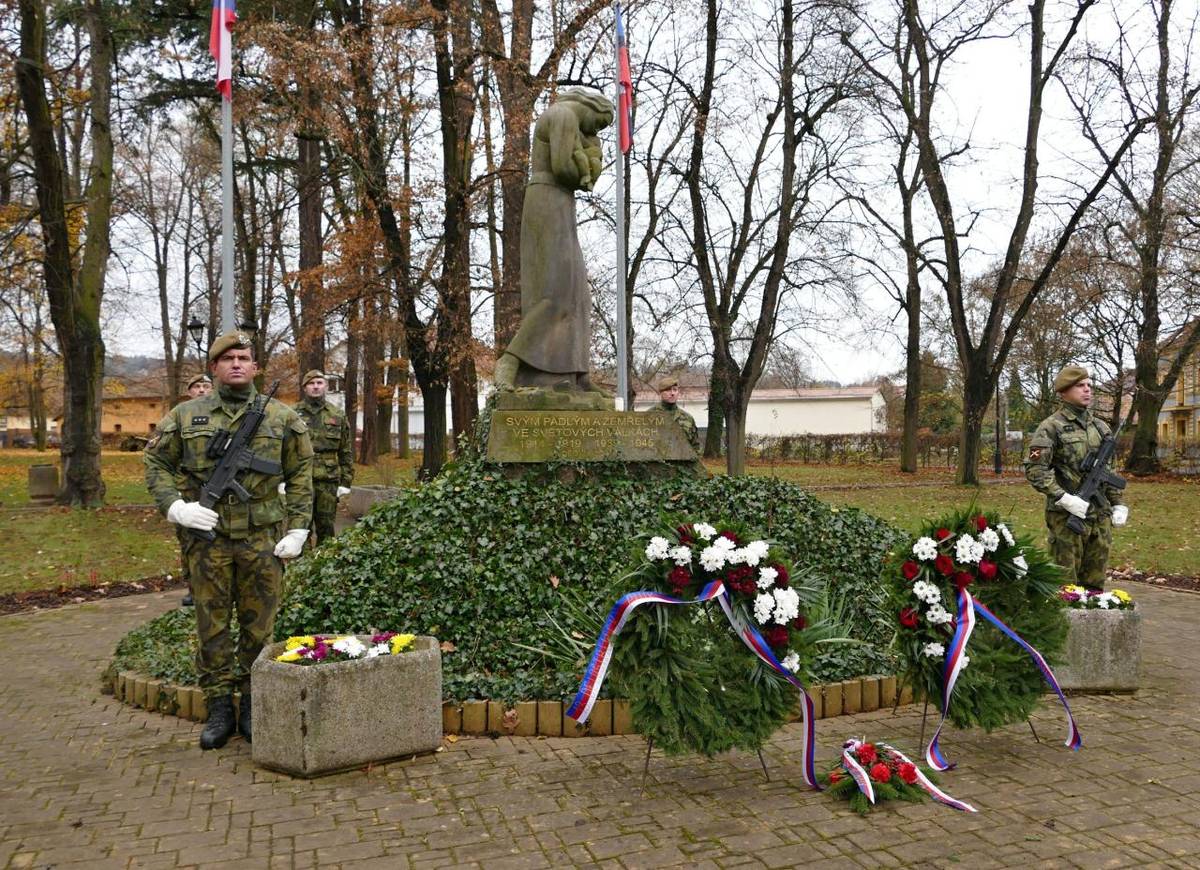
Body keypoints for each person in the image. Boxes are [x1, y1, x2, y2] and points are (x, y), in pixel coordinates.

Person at [144, 330, 313, 750]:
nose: (236, 364)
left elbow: (301, 475)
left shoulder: (281, 417)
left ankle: (254, 704)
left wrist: (298, 528)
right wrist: (175, 507)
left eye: (243, 357)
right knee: (212, 626)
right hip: (208, 540)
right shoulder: (186, 416)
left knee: (260, 628)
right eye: (227, 358)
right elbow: (155, 462)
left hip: (262, 539)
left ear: (255, 367)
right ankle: (219, 707)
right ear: (214, 367)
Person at [494, 89, 614, 392]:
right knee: (556, 292)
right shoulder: (562, 115)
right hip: (547, 200)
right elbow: (565, 168)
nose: (596, 131)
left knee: (578, 296)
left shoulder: (571, 122)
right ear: (590, 108)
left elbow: (584, 174)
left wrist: (588, 160)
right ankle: (511, 361)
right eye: (598, 124)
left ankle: (575, 374)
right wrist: (589, 161)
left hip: (560, 203)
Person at [1023, 365, 1129, 590]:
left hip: (1100, 518)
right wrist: (1064, 498)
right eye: (1080, 386)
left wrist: (1118, 504)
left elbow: (1106, 472)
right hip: (1067, 519)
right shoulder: (1050, 427)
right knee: (1064, 588)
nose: (1087, 390)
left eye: (1089, 385)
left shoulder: (1101, 428)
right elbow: (1035, 470)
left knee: (1094, 588)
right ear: (1064, 392)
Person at [292, 370, 353, 545]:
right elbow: (284, 449)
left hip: (328, 480)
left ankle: (324, 567)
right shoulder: (292, 414)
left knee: (326, 527)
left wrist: (346, 482)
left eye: (319, 383)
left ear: (325, 386)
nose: (316, 386)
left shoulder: (337, 415)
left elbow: (345, 450)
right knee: (300, 527)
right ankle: (301, 568)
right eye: (311, 383)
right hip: (300, 479)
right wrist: (282, 479)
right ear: (305, 388)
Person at [177, 374, 214, 607]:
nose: (201, 390)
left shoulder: (226, 415)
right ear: (190, 391)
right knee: (189, 543)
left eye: (206, 386)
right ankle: (193, 588)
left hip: (219, 490)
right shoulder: (180, 415)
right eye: (197, 387)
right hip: (189, 492)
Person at [657, 375, 701, 455]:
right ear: (660, 393)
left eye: (675, 390)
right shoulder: (650, 416)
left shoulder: (687, 418)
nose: (672, 393)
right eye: (668, 390)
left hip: (683, 465)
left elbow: (695, 446)